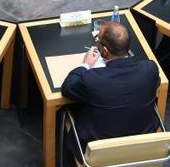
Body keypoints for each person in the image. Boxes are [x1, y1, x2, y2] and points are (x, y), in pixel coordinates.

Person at [60, 21, 160, 156]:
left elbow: (68, 88)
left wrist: (85, 65)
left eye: (98, 40)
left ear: (105, 50)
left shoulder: (93, 79)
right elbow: (156, 83)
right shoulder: (149, 69)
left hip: (100, 153)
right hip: (142, 149)